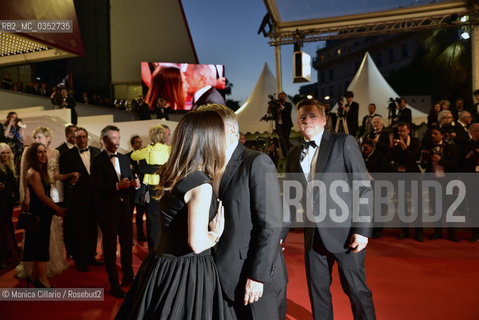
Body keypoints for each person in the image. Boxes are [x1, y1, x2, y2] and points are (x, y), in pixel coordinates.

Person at [115, 110, 236, 319]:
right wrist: (215, 234)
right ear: (210, 141)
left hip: (161, 264)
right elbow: (197, 243)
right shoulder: (200, 184)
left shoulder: (172, 172)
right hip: (188, 272)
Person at [286, 98, 376, 320]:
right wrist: (277, 235)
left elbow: (364, 187)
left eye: (313, 115)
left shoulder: (343, 143)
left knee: (357, 291)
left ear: (324, 119)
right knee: (318, 294)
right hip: (313, 236)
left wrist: (363, 230)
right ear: (297, 122)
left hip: (346, 234)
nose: (307, 120)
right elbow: (290, 200)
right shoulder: (292, 155)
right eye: (302, 117)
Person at [197, 104, 288, 320]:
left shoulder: (256, 162)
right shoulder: (208, 166)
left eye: (211, 127)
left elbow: (272, 224)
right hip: (219, 275)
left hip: (253, 278)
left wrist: (257, 277)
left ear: (230, 131)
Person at [17, 127, 77, 279]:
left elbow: (55, 176)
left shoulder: (55, 154)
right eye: (36, 138)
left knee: (50, 233)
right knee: (39, 236)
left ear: (48, 139)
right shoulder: (31, 162)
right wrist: (27, 196)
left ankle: (46, 269)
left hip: (51, 193)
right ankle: (39, 275)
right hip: (40, 200)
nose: (37, 141)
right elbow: (26, 177)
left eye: (40, 137)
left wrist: (70, 175)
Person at [91, 125, 140, 298]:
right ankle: (114, 283)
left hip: (125, 208)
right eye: (113, 138)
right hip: (107, 210)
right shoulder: (97, 160)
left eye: (118, 138)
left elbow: (129, 179)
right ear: (104, 140)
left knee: (127, 245)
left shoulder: (125, 159)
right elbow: (96, 186)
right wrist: (117, 186)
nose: (117, 142)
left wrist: (135, 184)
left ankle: (128, 276)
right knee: (110, 248)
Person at [22, 143, 66, 288]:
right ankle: (42, 280)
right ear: (33, 155)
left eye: (44, 152)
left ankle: (35, 277)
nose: (43, 155)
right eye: (39, 152)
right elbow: (42, 196)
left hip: (42, 213)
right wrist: (58, 208)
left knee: (38, 246)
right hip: (38, 214)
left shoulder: (39, 171)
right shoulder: (34, 172)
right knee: (40, 247)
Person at [60, 127, 101, 272]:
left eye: (84, 137)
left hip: (94, 198)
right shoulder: (66, 155)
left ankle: (91, 257)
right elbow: (62, 178)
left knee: (92, 229)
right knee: (78, 230)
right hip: (77, 199)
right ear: (74, 138)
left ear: (88, 137)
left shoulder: (97, 152)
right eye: (79, 137)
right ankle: (80, 260)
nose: (82, 140)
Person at [131, 125, 170, 250]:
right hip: (167, 187)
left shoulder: (148, 150)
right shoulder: (170, 150)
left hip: (153, 188)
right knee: (167, 218)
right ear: (164, 136)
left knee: (153, 220)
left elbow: (133, 156)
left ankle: (154, 250)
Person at [0, 143, 19, 269]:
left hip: (7, 203)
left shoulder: (9, 167)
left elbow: (13, 186)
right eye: (3, 153)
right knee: (5, 230)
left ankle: (8, 255)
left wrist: (16, 198)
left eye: (7, 153)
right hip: (0, 204)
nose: (6, 155)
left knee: (5, 230)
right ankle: (12, 255)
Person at [126, 135, 147, 243]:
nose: (139, 144)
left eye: (140, 142)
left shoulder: (146, 156)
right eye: (137, 143)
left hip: (142, 190)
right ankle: (128, 238)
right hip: (130, 190)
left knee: (140, 214)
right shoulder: (127, 157)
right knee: (129, 215)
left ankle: (140, 235)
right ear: (132, 144)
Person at [277, 92, 293, 156]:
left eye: (283, 96)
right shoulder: (277, 105)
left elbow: (287, 113)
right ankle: (284, 154)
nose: (282, 98)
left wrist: (282, 107)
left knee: (286, 138)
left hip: (286, 124)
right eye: (281, 97)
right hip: (279, 124)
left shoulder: (288, 104)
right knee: (281, 139)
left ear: (286, 97)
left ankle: (288, 153)